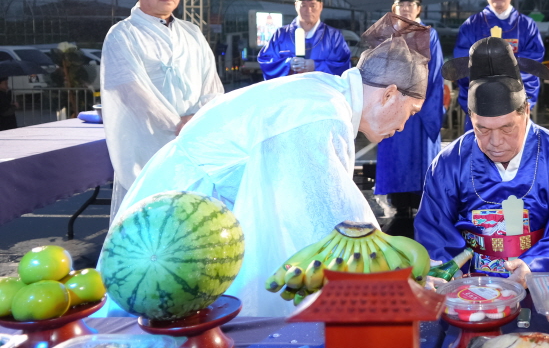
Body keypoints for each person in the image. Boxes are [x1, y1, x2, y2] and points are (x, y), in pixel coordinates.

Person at [99, 23, 431, 318]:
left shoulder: (325, 90)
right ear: (389, 95)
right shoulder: (323, 112)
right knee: (153, 322)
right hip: (178, 224)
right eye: (411, 111)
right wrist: (388, 273)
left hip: (182, 202)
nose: (404, 125)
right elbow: (329, 218)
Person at [415, 37, 549, 285]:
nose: (495, 142)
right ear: (471, 116)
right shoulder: (448, 164)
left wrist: (534, 266)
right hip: (471, 288)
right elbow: (434, 230)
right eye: (482, 129)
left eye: (507, 129)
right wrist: (446, 269)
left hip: (540, 282)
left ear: (526, 111)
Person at [101, 0, 224, 219]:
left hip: (194, 146)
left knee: (195, 227)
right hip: (148, 150)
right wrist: (176, 125)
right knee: (147, 225)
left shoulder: (192, 33)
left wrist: (199, 120)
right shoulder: (123, 34)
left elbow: (212, 86)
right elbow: (132, 92)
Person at [373, 0, 444, 222]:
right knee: (397, 160)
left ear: (419, 9)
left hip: (419, 112)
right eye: (401, 4)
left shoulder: (429, 35)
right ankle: (399, 211)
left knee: (420, 162)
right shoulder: (386, 35)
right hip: (393, 109)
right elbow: (377, 72)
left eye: (410, 4)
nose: (406, 8)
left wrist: (420, 106)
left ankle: (424, 215)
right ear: (394, 8)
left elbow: (436, 76)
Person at [453, 0, 545, 130]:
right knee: (478, 154)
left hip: (515, 108)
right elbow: (461, 64)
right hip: (480, 106)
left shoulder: (527, 26)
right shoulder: (471, 25)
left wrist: (521, 102)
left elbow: (533, 66)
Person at [257, 0, 352, 80]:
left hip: (321, 94)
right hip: (290, 94)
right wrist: (288, 64)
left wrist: (315, 66)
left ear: (321, 6)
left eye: (313, 5)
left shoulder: (334, 36)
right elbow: (265, 60)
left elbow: (344, 65)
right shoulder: (281, 35)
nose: (308, 10)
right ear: (296, 6)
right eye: (303, 5)